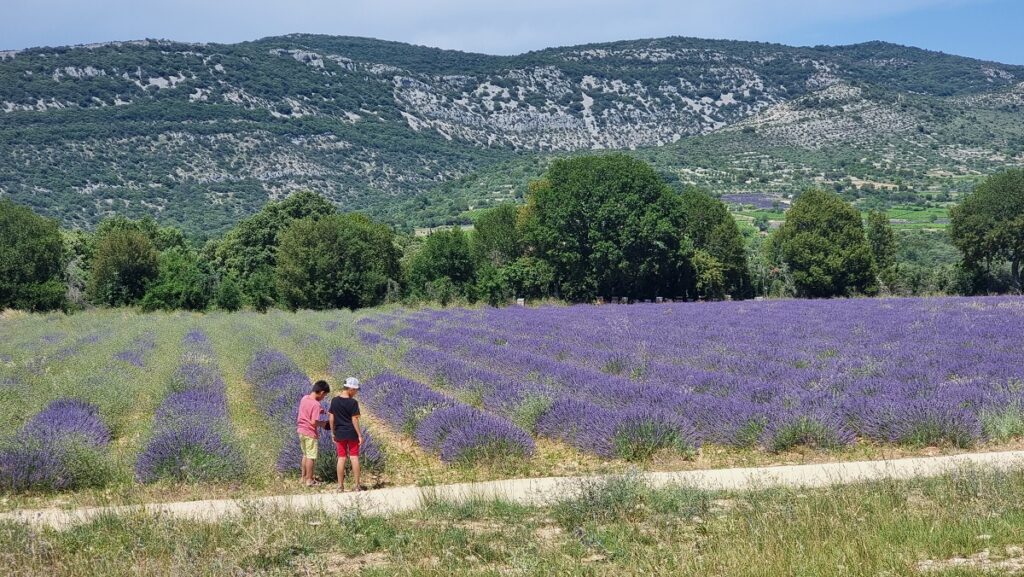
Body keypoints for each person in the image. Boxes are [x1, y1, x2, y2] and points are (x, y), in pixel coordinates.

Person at [328, 377, 363, 491]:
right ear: (350, 389)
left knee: (341, 458)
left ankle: (340, 486)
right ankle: (357, 485)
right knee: (354, 458)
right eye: (356, 390)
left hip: (340, 433)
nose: (356, 393)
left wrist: (333, 433)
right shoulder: (353, 403)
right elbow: (354, 420)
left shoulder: (334, 401)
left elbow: (331, 418)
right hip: (352, 433)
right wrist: (359, 435)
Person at [297, 380, 330, 487]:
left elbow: (308, 408)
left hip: (301, 430)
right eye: (324, 395)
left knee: (305, 455)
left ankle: (303, 478)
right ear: (321, 392)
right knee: (311, 457)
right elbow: (313, 422)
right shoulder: (316, 404)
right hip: (310, 432)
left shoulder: (305, 398)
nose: (323, 398)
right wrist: (323, 424)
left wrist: (322, 411)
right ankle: (309, 480)